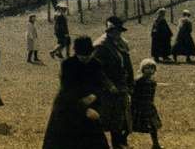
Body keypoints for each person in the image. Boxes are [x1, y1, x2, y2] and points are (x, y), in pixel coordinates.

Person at [43, 35, 110, 149]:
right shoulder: (68, 65)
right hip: (69, 109)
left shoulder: (96, 64)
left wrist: (94, 96)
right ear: (76, 53)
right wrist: (84, 108)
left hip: (91, 107)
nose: (86, 58)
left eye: (88, 55)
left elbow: (100, 85)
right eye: (82, 56)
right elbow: (67, 90)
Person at [93, 16, 134, 149]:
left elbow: (127, 64)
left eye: (120, 31)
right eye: (116, 31)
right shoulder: (101, 45)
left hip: (121, 86)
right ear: (109, 31)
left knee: (120, 118)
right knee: (105, 119)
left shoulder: (120, 43)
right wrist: (109, 85)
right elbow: (97, 69)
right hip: (107, 89)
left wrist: (130, 83)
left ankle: (118, 144)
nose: (118, 33)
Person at [132, 59, 164, 149]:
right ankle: (122, 139)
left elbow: (152, 95)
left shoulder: (153, 82)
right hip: (138, 106)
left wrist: (151, 104)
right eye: (147, 68)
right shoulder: (138, 81)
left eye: (152, 68)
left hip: (149, 106)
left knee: (153, 126)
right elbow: (133, 93)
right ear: (142, 69)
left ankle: (156, 144)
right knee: (132, 125)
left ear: (154, 70)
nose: (149, 70)